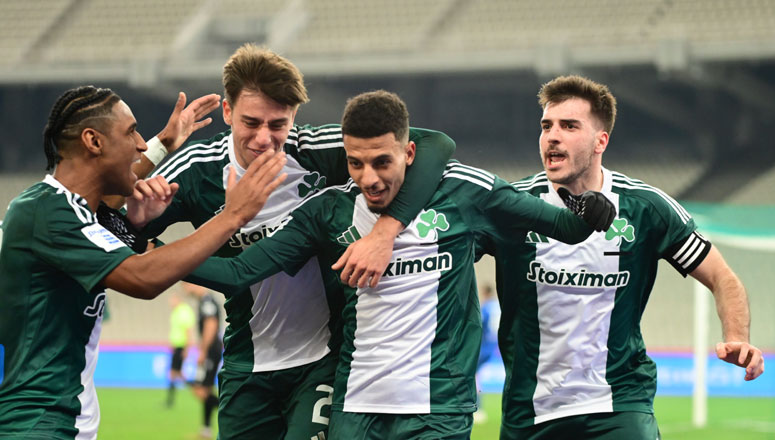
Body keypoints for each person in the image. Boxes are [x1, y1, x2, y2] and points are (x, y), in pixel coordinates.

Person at [184, 90, 617, 439]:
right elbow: (239, 273)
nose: (369, 178)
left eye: (382, 162)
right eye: (355, 163)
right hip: (353, 409)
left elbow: (568, 227)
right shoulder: (328, 212)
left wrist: (592, 207)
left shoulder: (465, 192)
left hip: (438, 409)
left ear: (410, 152)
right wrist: (151, 261)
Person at [141, 44, 457, 440]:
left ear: (294, 117)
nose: (264, 138)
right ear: (227, 112)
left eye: (278, 124)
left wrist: (385, 232)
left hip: (323, 360)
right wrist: (140, 220)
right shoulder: (195, 171)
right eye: (251, 122)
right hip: (246, 363)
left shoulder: (315, 152)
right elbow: (118, 226)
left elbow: (435, 144)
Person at [482, 75, 765, 439]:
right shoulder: (512, 206)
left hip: (619, 405)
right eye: (547, 125)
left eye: (569, 126)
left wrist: (737, 337)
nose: (552, 136)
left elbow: (723, 278)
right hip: (529, 411)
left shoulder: (645, 208)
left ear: (601, 141)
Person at [0, 85, 286, 440]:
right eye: (131, 132)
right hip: (37, 423)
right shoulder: (47, 212)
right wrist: (232, 216)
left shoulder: (64, 210)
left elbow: (107, 205)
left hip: (56, 421)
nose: (140, 144)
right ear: (93, 141)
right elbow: (143, 277)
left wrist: (164, 144)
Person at [181, 282, 223, 439]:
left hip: (211, 351)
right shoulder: (204, 301)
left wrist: (203, 351)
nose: (185, 289)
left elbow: (211, 325)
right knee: (204, 390)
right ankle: (206, 430)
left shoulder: (207, 301)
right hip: (210, 350)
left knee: (200, 390)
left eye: (186, 285)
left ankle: (236, 413)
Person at [474, 284, 500, 424]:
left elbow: (479, 325)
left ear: (485, 293)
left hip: (484, 347)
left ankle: (478, 408)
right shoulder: (497, 306)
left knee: (474, 376)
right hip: (495, 346)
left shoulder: (485, 308)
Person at [166, 291, 196, 407]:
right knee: (177, 373)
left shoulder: (183, 311)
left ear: (178, 299)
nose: (170, 302)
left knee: (174, 373)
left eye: (172, 300)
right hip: (177, 346)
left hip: (181, 346)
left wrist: (186, 349)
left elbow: (188, 330)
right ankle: (195, 388)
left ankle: (170, 400)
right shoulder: (176, 312)